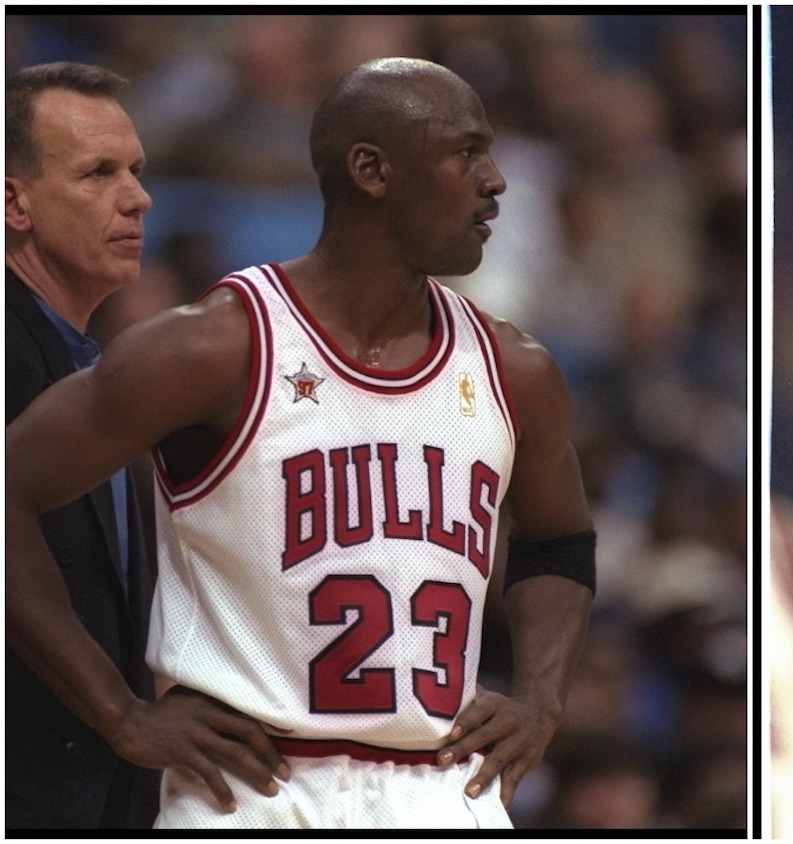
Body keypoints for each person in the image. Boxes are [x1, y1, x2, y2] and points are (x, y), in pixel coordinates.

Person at [6, 56, 596, 829]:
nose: (496, 181)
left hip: (442, 791)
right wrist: (120, 713)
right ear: (372, 171)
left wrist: (541, 699)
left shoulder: (515, 368)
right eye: (465, 153)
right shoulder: (215, 346)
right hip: (251, 791)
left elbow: (561, 542)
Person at [4, 61, 160, 830]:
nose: (137, 197)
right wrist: (123, 716)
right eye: (98, 173)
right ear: (13, 201)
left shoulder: (87, 358)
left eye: (134, 170)